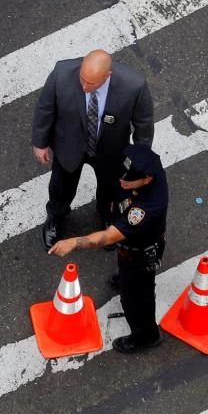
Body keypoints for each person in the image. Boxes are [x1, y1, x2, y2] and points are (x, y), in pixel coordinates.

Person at [47, 145, 167, 354]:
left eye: (128, 180)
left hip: (139, 254)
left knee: (137, 298)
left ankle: (146, 335)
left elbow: (107, 236)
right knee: (125, 273)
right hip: (129, 248)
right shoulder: (141, 165)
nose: (122, 181)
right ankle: (123, 280)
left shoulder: (146, 210)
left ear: (147, 180)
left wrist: (73, 242)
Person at [31, 49, 154, 250]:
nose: (84, 86)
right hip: (69, 145)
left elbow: (144, 125)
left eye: (92, 83)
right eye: (82, 79)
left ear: (108, 76)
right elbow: (45, 108)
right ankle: (55, 218)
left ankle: (107, 218)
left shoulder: (134, 86)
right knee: (60, 188)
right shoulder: (61, 73)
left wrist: (139, 160)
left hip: (110, 150)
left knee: (110, 190)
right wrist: (40, 143)